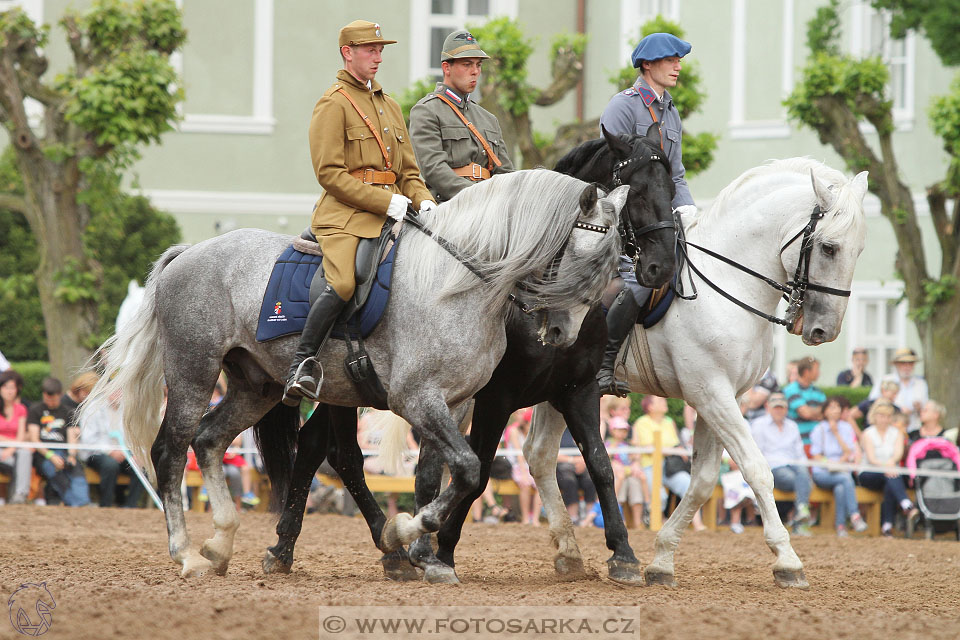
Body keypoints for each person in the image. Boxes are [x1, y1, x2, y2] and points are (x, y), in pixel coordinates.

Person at [282, 20, 435, 406]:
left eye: (380, 50)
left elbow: (408, 172)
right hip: (344, 216)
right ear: (347, 53)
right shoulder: (333, 103)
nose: (378, 56)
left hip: (393, 212)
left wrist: (424, 201)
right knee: (344, 284)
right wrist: (384, 202)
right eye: (370, 49)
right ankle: (302, 364)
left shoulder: (390, 105)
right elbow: (329, 174)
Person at [595, 32, 697, 397]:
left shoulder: (671, 111)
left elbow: (676, 174)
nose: (677, 66)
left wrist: (687, 208)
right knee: (641, 279)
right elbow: (607, 169)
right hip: (625, 222)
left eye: (678, 61)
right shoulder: (623, 106)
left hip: (657, 221)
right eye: (670, 60)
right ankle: (604, 366)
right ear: (648, 65)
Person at [408, 29, 513, 203]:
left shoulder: (488, 119)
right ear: (446, 67)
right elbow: (434, 169)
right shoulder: (427, 111)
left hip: (490, 207)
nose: (475, 71)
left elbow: (505, 173)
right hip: (449, 205)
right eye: (467, 64)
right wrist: (478, 197)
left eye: (478, 65)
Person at [632, 395, 704, 530]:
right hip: (650, 466)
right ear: (650, 407)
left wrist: (672, 449)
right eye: (660, 400)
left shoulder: (669, 422)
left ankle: (698, 524)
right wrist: (672, 450)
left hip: (671, 467)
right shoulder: (641, 422)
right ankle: (657, 524)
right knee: (660, 497)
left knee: (689, 485)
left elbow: (675, 445)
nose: (664, 402)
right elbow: (650, 448)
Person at [750, 392, 812, 535]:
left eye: (781, 408)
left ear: (786, 409)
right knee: (802, 481)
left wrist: (804, 469)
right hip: (773, 468)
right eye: (776, 407)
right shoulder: (759, 425)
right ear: (769, 408)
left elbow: (800, 454)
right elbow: (757, 453)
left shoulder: (792, 426)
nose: (779, 410)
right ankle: (800, 515)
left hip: (793, 466)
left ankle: (801, 512)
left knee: (802, 473)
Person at [857, 399, 917, 537]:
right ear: (875, 416)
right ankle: (905, 504)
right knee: (891, 475)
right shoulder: (868, 433)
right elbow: (871, 459)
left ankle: (887, 526)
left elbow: (897, 454)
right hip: (869, 473)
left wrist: (891, 463)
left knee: (890, 481)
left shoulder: (896, 433)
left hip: (890, 474)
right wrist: (887, 466)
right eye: (882, 415)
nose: (885, 419)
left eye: (888, 416)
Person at [809, 396, 867, 536]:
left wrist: (836, 433)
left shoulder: (846, 428)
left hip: (840, 470)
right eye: (832, 407)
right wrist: (829, 463)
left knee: (841, 487)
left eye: (837, 407)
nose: (835, 410)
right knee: (845, 479)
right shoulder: (819, 429)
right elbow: (816, 455)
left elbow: (848, 452)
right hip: (822, 473)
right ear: (825, 411)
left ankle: (841, 526)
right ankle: (854, 515)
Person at [27, 377, 89, 506]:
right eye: (47, 398)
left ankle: (84, 502)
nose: (50, 402)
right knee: (57, 475)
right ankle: (75, 503)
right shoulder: (35, 410)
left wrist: (72, 456)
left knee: (76, 472)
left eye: (53, 399)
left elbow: (72, 436)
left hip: (65, 452)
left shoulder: (68, 412)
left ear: (60, 395)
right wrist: (51, 456)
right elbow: (34, 439)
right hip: (43, 455)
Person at [78, 390, 146, 508]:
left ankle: (130, 506)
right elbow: (88, 438)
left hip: (125, 453)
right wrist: (110, 451)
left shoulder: (130, 408)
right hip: (97, 453)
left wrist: (136, 454)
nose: (117, 393)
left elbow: (137, 436)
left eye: (121, 389)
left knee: (142, 467)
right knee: (110, 465)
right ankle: (106, 505)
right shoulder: (93, 408)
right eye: (114, 389)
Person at [868, 348, 928, 432]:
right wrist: (896, 409)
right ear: (896, 365)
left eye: (910, 364)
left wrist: (918, 407)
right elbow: (873, 402)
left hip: (913, 427)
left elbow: (925, 408)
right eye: (903, 363)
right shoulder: (885, 380)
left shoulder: (921, 383)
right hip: (889, 428)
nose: (907, 367)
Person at [605, 417, 647, 528]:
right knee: (621, 485)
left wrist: (634, 462)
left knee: (635, 483)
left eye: (624, 431)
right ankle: (619, 521)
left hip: (629, 474)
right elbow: (606, 458)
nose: (622, 433)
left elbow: (634, 458)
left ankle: (638, 522)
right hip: (617, 476)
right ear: (612, 431)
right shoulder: (608, 444)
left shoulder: (627, 445)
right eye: (619, 430)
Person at [0, 369, 32, 504]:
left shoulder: (21, 409)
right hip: (3, 449)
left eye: (12, 388)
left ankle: (20, 495)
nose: (9, 391)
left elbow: (21, 435)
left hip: (14, 449)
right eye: (6, 387)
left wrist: (11, 448)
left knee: (25, 453)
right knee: (19, 462)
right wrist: (11, 444)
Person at [782, 356, 826, 451]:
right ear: (806, 372)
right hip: (797, 443)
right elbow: (806, 413)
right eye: (817, 369)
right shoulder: (791, 389)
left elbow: (826, 413)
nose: (819, 373)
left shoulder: (818, 391)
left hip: (817, 443)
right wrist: (818, 412)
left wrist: (811, 412)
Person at [505, 408, 540, 525]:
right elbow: (519, 455)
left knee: (540, 486)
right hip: (517, 465)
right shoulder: (514, 431)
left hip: (531, 464)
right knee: (525, 484)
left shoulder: (535, 432)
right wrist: (524, 474)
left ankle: (535, 519)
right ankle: (525, 518)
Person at [556, 427, 598, 525]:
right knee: (569, 481)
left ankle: (589, 518)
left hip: (583, 463)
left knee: (590, 480)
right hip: (562, 465)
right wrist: (572, 460)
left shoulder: (581, 427)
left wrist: (583, 462)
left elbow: (591, 448)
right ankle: (573, 517)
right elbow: (550, 452)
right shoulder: (555, 429)